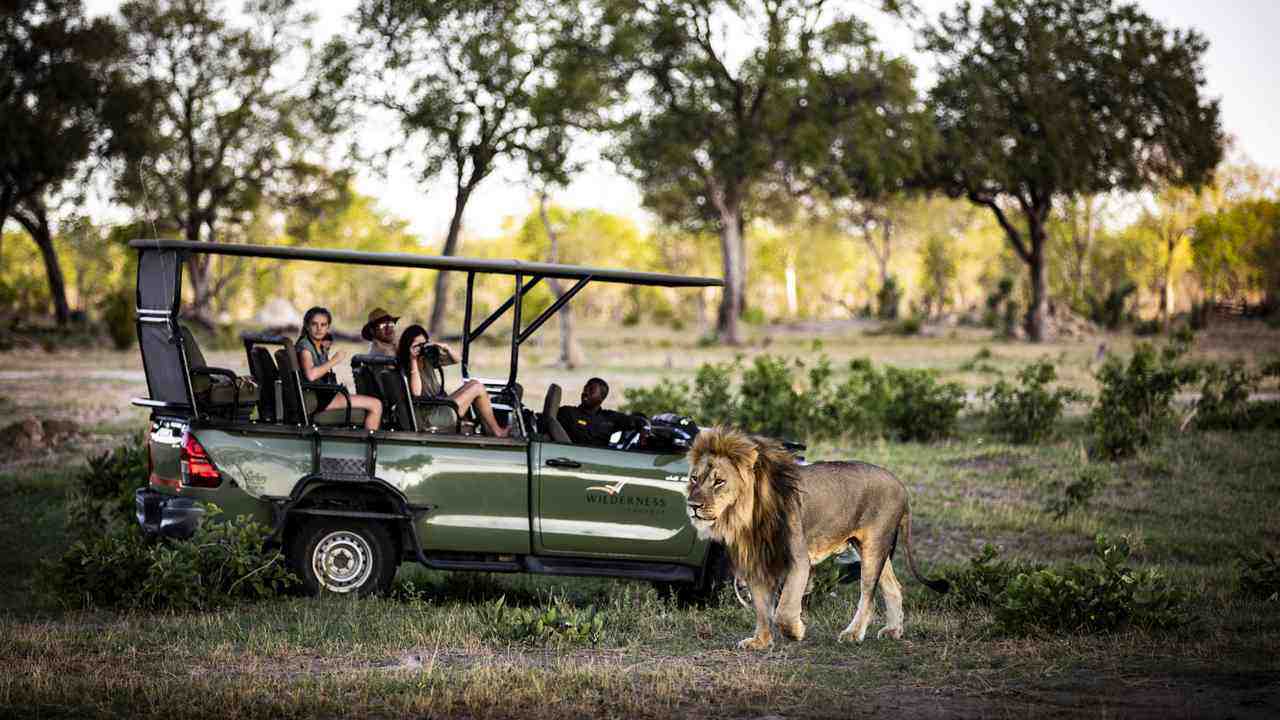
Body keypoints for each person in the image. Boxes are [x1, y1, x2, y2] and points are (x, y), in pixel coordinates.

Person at [396, 324, 509, 438]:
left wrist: (445, 348)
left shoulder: (427, 359)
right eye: (417, 346)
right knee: (477, 388)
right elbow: (416, 393)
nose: (421, 349)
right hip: (429, 418)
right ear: (408, 347)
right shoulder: (407, 367)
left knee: (474, 383)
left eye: (423, 344)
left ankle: (489, 429)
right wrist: (413, 360)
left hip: (439, 406)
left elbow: (457, 359)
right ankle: (497, 432)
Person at [296, 306, 383, 431]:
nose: (319, 328)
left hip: (322, 395)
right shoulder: (305, 347)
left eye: (323, 325)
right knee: (376, 405)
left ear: (328, 327)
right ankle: (369, 441)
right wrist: (334, 360)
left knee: (370, 401)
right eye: (314, 324)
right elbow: (311, 375)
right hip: (318, 399)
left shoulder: (316, 345)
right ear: (307, 326)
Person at [557, 377, 638, 446]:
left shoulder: (610, 418)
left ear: (602, 397)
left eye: (591, 390)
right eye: (585, 389)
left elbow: (635, 422)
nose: (585, 392)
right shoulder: (567, 413)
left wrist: (641, 425)